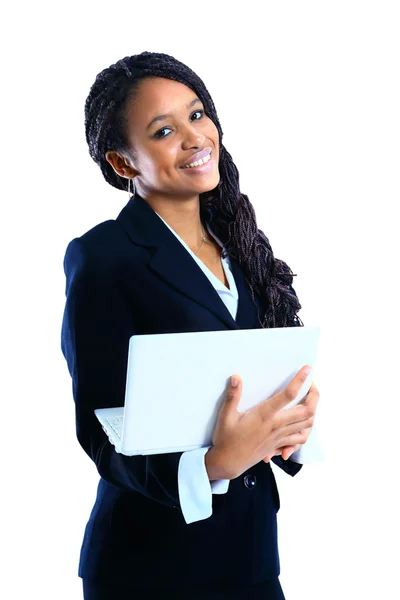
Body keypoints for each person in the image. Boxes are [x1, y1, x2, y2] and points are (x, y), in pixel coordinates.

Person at [61, 51, 320, 600]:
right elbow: (101, 431)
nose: (194, 137)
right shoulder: (105, 257)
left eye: (197, 115)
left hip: (250, 557)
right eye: (163, 130)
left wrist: (291, 430)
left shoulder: (241, 247)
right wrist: (211, 464)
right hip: (151, 568)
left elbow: (253, 388)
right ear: (124, 163)